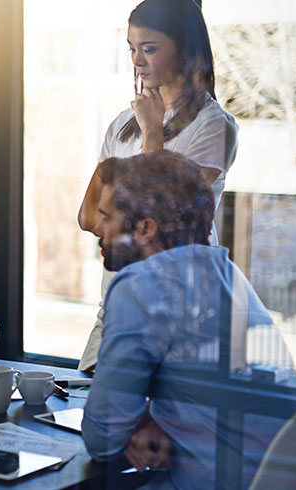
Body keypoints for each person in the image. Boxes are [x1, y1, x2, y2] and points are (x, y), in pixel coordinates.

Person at [80, 151, 296, 490]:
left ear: (146, 229)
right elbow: (205, 387)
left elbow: (102, 437)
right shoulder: (225, 273)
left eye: (108, 217)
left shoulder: (142, 285)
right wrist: (159, 420)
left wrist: (139, 422)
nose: (98, 227)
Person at [76, 0, 239, 372]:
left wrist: (152, 133)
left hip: (178, 306)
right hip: (119, 298)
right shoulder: (122, 123)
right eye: (132, 49)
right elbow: (88, 216)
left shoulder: (214, 127)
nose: (137, 60)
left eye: (149, 49)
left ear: (185, 49)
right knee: (89, 407)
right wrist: (130, 224)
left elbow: (163, 217)